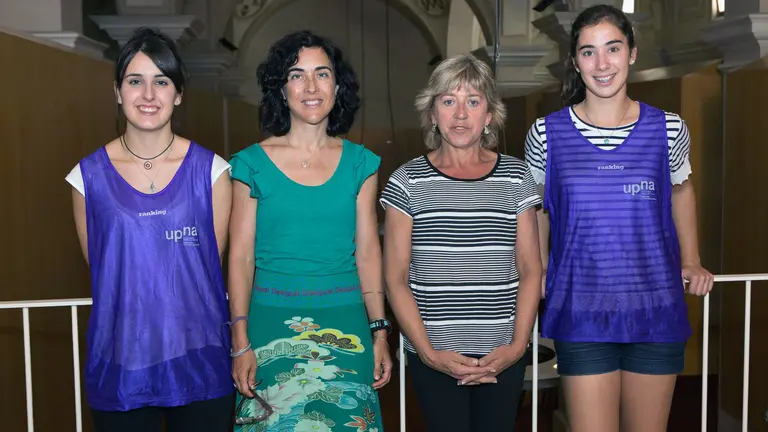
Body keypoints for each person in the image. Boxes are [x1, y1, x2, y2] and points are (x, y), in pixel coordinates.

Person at [523, 5, 715, 432]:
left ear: (632, 53)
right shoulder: (545, 134)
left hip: (655, 309)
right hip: (581, 311)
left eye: (613, 48)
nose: (602, 63)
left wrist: (692, 258)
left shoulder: (668, 129)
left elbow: (682, 191)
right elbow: (537, 212)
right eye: (588, 52)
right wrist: (535, 274)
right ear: (575, 61)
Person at [65, 27, 234, 432]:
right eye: (135, 81)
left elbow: (206, 270)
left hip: (199, 363)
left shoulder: (212, 172)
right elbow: (104, 269)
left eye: (161, 81)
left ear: (178, 93)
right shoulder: (86, 177)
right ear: (118, 92)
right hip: (121, 367)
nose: (148, 94)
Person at [227, 31, 391, 432]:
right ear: (281, 89)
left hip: (346, 326)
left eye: (323, 74)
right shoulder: (250, 164)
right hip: (268, 327)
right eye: (297, 75)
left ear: (337, 86)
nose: (312, 86)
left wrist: (380, 330)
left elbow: (368, 253)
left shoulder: (360, 164)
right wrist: (240, 340)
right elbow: (241, 256)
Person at [380, 54, 542, 431]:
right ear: (432, 113)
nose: (461, 114)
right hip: (433, 353)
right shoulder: (407, 182)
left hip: (503, 352)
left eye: (473, 101)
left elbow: (531, 269)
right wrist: (429, 353)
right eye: (448, 101)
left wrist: (516, 348)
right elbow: (396, 278)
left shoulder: (517, 177)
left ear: (489, 115)